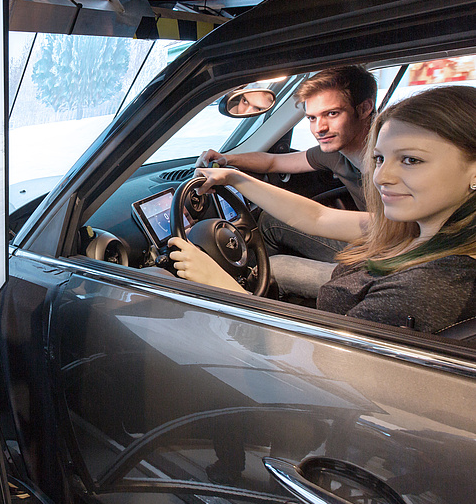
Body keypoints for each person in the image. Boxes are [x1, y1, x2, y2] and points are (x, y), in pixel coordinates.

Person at [170, 85, 476, 334]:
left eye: (411, 160)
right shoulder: (417, 229)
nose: (382, 177)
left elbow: (315, 367)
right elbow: (318, 217)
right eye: (380, 159)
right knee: (276, 264)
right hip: (338, 307)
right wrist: (235, 177)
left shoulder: (427, 289)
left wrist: (221, 286)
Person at [196, 65, 377, 262]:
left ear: (364, 108)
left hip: (390, 257)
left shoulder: (393, 159)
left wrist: (234, 178)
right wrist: (226, 159)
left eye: (332, 114)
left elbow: (320, 218)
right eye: (312, 118)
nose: (320, 128)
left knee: (279, 268)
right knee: (270, 221)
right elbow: (272, 162)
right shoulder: (334, 153)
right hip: (377, 241)